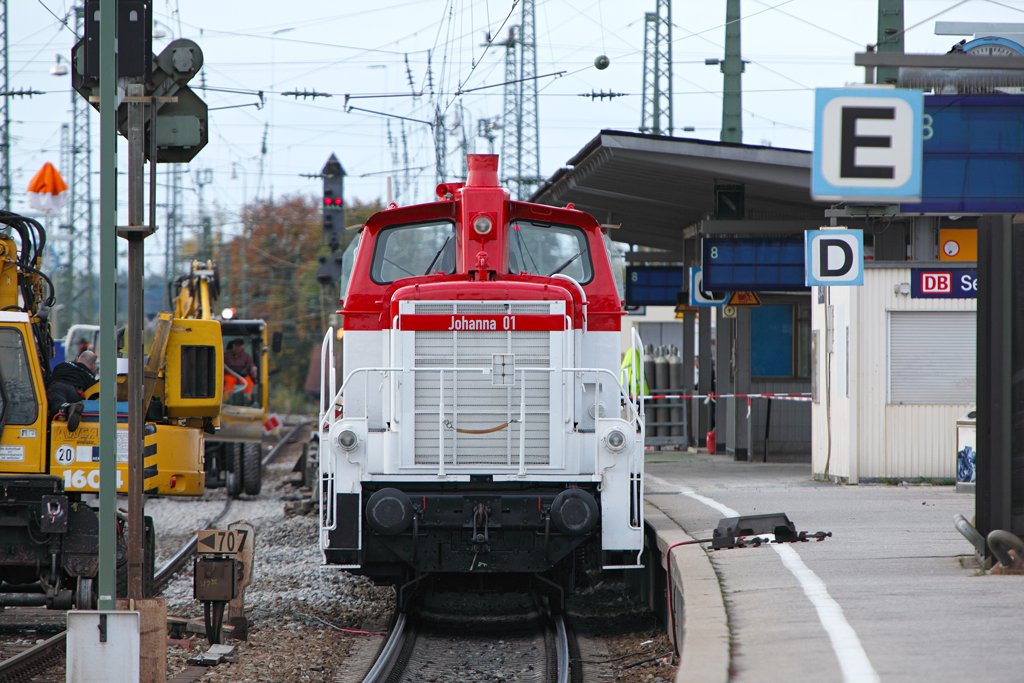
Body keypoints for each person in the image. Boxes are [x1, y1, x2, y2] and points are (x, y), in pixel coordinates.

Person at [47, 350, 98, 431]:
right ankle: (72, 408)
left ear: (78, 358)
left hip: (59, 388)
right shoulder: (90, 378)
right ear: (93, 365)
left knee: (56, 404)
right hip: (76, 394)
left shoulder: (62, 365)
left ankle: (68, 408)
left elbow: (51, 379)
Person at [223, 339, 256, 403]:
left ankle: (247, 400)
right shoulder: (225, 355)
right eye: (236, 345)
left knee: (248, 381)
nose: (237, 347)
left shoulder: (246, 356)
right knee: (228, 381)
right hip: (229, 375)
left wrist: (253, 369)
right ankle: (227, 400)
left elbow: (251, 365)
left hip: (243, 376)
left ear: (242, 346)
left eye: (239, 345)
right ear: (232, 346)